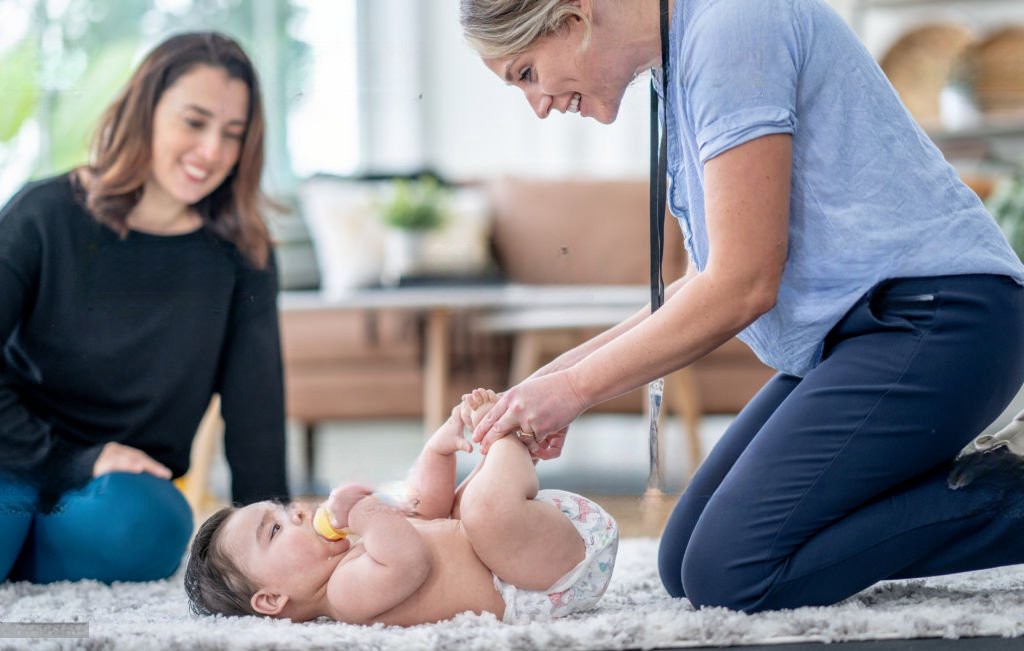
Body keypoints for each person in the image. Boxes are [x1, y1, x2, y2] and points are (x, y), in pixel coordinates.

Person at [459, 0, 1024, 613]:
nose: (538, 104)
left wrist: (572, 392)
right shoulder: (682, 53)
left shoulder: (732, 25)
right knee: (682, 562)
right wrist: (537, 389)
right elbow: (700, 283)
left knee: (731, 572)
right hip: (861, 336)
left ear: (573, 13)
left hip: (942, 323)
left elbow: (743, 286)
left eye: (527, 73)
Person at [0, 31, 288, 585]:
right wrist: (75, 458)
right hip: (13, 452)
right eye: (194, 122)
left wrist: (273, 538)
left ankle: (25, 554)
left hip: (116, 493)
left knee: (151, 526)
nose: (212, 151)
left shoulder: (243, 254)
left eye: (232, 134)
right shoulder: (43, 214)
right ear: (145, 111)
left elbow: (257, 412)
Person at [183, 389, 618, 625]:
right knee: (481, 511)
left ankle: (503, 449)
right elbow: (410, 559)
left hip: (529, 546)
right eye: (275, 529)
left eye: (282, 507)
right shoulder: (344, 595)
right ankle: (509, 438)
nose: (294, 511)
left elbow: (422, 510)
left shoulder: (358, 550)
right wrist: (363, 512)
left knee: (462, 511)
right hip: (540, 579)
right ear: (272, 599)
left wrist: (438, 451)